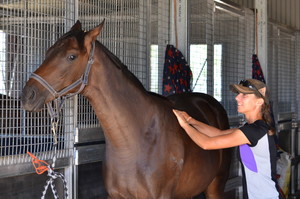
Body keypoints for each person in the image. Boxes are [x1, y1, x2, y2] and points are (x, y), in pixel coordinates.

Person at [173, 79, 279, 199]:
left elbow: (206, 143)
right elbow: (218, 133)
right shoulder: (251, 128)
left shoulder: (254, 131)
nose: (237, 98)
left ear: (259, 102)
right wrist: (190, 120)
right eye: (238, 94)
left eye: (244, 95)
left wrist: (184, 125)